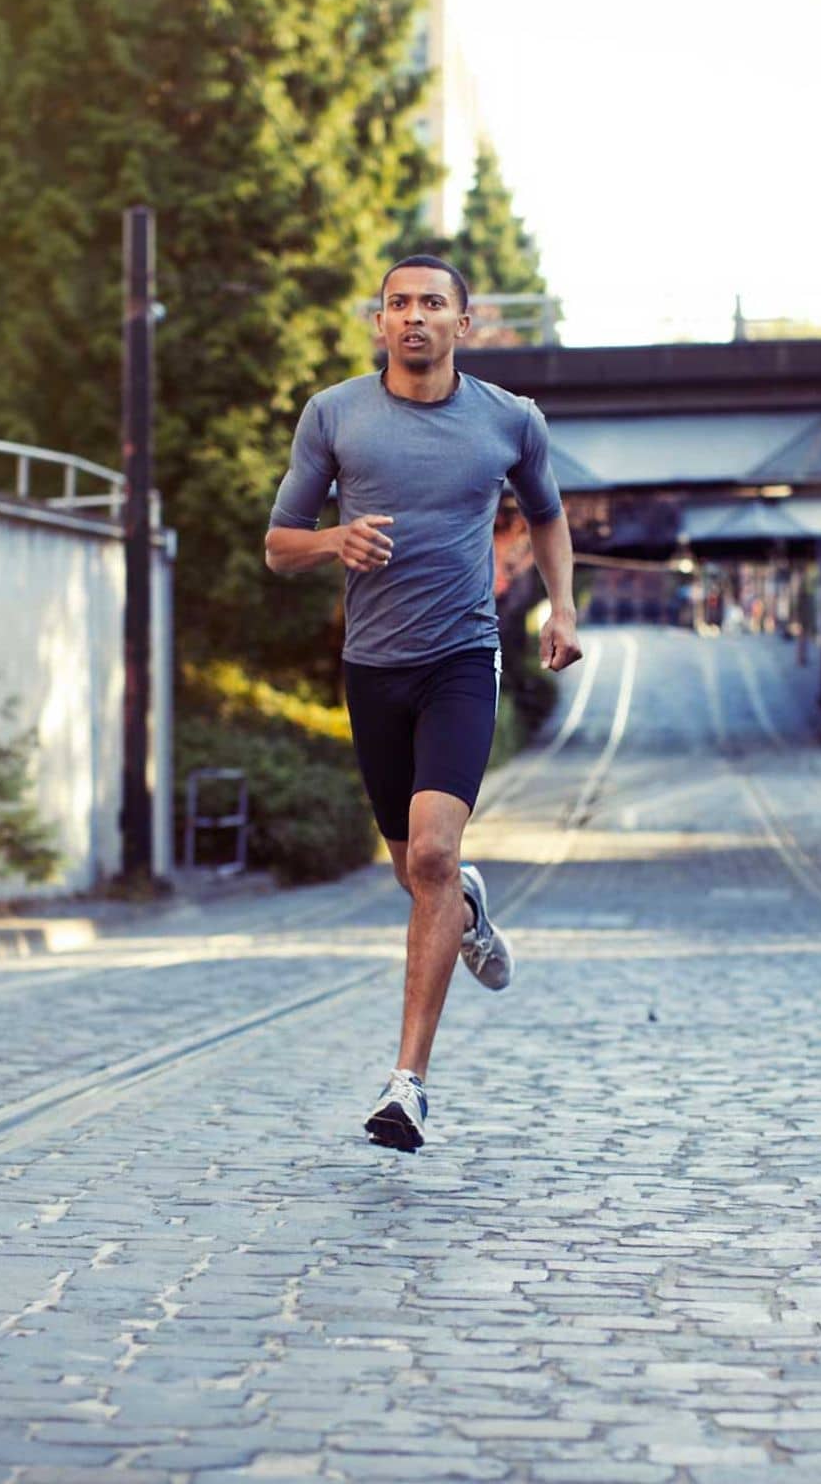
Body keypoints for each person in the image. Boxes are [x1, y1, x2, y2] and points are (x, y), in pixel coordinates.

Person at [264, 254, 581, 1152]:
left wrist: (561, 606)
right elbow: (279, 546)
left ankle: (407, 1085)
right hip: (373, 669)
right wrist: (333, 539)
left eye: (432, 304)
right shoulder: (335, 415)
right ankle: (469, 911)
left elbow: (548, 513)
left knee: (434, 856)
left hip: (460, 661)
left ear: (462, 324)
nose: (413, 317)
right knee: (417, 876)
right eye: (398, 304)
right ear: (379, 323)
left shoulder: (510, 420)